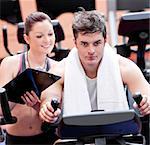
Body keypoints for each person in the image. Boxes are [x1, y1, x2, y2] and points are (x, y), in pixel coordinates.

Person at [0, 11, 60, 145]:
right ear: (27, 39)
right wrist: (18, 92)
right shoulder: (10, 63)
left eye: (50, 34)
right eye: (39, 36)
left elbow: (58, 116)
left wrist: (37, 106)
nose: (47, 40)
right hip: (17, 139)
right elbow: (1, 110)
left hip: (47, 137)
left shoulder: (57, 67)